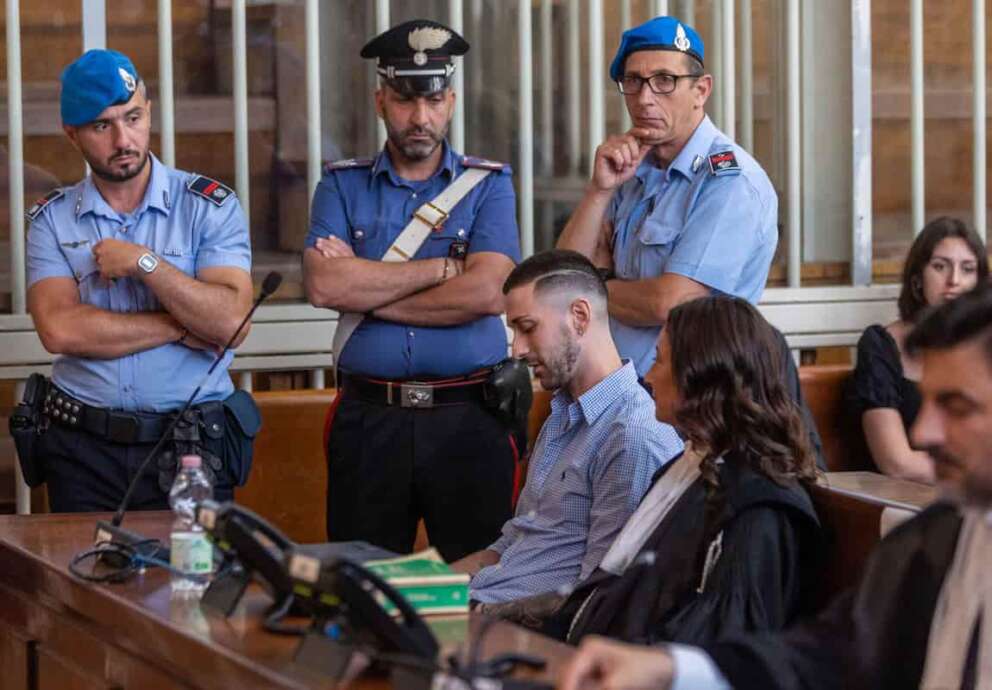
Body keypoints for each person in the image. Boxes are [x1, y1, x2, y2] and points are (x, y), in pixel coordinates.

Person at [561, 283, 992, 690]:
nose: (923, 433)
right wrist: (668, 668)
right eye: (929, 402)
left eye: (957, 406)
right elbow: (823, 656)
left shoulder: (761, 503)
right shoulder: (934, 539)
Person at [303, 20, 523, 562]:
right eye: (404, 100)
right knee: (362, 589)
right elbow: (326, 284)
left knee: (482, 588)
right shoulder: (340, 184)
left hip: (470, 418)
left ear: (450, 101)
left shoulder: (488, 185)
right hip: (368, 421)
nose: (419, 118)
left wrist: (367, 286)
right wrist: (444, 269)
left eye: (432, 100)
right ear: (380, 100)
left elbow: (488, 293)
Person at [21, 50, 256, 512]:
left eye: (132, 117)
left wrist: (144, 264)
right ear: (73, 134)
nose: (123, 138)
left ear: (149, 112)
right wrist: (178, 326)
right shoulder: (52, 220)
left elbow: (230, 322)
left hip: (192, 446)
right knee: (82, 580)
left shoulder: (209, 205)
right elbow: (60, 330)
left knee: (193, 580)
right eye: (101, 126)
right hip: (83, 448)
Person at [553, 295, 821, 645]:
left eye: (660, 361)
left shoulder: (759, 508)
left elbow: (722, 646)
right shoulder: (686, 468)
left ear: (700, 377)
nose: (647, 376)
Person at [450, 250, 682, 605]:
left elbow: (598, 598)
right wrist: (416, 589)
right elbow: (511, 545)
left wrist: (477, 615)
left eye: (527, 328)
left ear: (579, 316)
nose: (517, 349)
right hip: (484, 602)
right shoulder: (563, 415)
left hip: (519, 631)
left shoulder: (632, 434)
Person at [557, 15, 777, 379]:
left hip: (687, 399)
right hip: (609, 390)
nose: (645, 99)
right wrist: (599, 191)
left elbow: (670, 302)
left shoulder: (728, 180)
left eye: (664, 81)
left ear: (701, 90)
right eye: (633, 81)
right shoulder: (630, 170)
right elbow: (561, 275)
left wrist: (591, 286)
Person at [846, 216, 986, 483]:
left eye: (968, 269)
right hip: (899, 502)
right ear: (918, 278)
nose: (954, 280)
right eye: (940, 266)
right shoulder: (880, 346)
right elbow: (897, 462)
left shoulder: (982, 344)